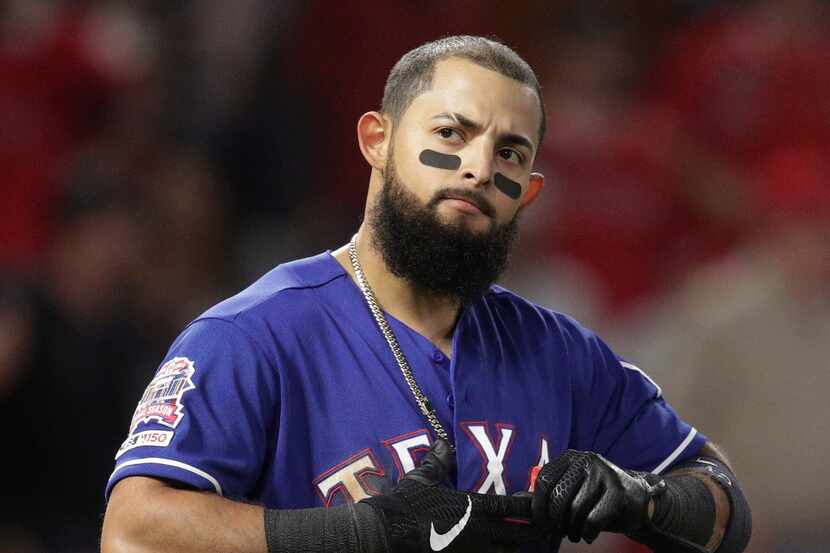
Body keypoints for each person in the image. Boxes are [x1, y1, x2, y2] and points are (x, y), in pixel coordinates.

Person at [101, 36, 751, 553]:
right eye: (451, 134)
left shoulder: (564, 354)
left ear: (527, 193)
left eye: (510, 153)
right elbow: (133, 531)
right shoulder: (254, 334)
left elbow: (726, 504)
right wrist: (362, 534)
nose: (479, 167)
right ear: (377, 141)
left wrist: (642, 496)